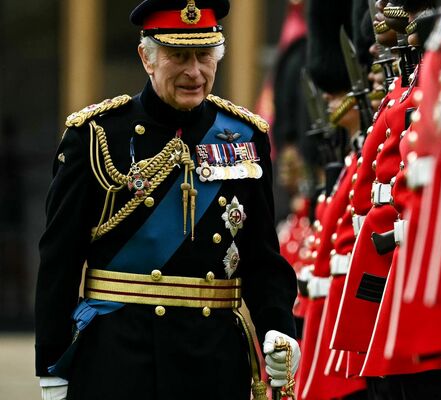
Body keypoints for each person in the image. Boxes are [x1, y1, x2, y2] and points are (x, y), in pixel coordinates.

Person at [35, 1, 299, 399]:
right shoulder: (96, 135)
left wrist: (277, 326)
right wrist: (52, 365)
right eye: (179, 56)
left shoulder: (245, 136)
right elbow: (60, 256)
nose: (194, 72)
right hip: (119, 360)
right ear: (147, 58)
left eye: (205, 55)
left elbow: (261, 256)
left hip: (213, 361)